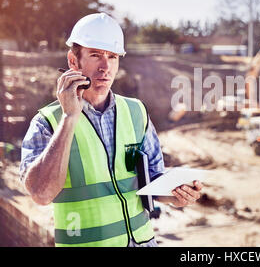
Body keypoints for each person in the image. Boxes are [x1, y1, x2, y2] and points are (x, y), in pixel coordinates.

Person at [20, 13, 203, 247]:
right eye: (95, 55)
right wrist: (69, 117)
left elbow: (153, 179)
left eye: (113, 56)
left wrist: (177, 194)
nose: (105, 67)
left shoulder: (136, 112)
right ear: (73, 62)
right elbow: (41, 194)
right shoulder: (47, 122)